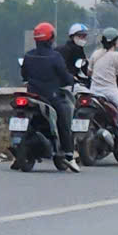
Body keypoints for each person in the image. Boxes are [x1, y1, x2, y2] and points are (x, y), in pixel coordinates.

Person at [19, 21, 78, 172]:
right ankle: (69, 154)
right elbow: (65, 77)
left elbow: (24, 75)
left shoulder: (28, 55)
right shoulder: (55, 57)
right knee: (64, 115)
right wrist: (71, 79)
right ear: (51, 38)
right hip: (50, 97)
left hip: (32, 96)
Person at [84, 28, 118, 166]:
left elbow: (89, 73)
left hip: (94, 91)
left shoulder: (95, 54)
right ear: (115, 42)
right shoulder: (116, 56)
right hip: (110, 92)